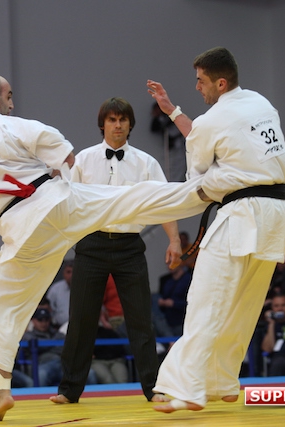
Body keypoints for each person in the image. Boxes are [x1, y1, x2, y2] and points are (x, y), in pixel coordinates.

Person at [0, 72, 208, 421]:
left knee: (1, 308)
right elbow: (63, 150)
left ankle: (3, 392)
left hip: (21, 231)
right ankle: (207, 189)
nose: (12, 102)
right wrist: (60, 169)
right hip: (57, 204)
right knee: (127, 199)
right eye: (8, 96)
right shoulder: (13, 126)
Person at [145, 46, 285, 413]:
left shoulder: (212, 120)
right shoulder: (261, 103)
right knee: (245, 301)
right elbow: (216, 135)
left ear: (220, 82)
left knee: (206, 298)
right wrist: (172, 111)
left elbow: (199, 166)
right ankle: (222, 381)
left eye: (201, 81)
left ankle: (187, 389)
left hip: (243, 212)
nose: (197, 87)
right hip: (278, 212)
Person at [52, 97, 182, 406]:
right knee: (81, 320)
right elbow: (64, 201)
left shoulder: (146, 162)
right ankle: (69, 389)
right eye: (112, 119)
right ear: (103, 124)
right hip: (91, 244)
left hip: (129, 246)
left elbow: (164, 203)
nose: (118, 125)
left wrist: (174, 240)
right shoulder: (83, 160)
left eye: (123, 119)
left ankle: (153, 387)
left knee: (141, 319)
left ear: (130, 124)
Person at [21, 308, 66, 387]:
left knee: (86, 374)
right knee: (41, 374)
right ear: (33, 321)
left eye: (46, 319)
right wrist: (54, 344)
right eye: (40, 320)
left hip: (62, 364)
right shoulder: (28, 336)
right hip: (41, 365)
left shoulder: (58, 334)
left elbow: (65, 348)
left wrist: (45, 346)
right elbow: (38, 346)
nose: (43, 323)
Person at [44, 260, 72, 328]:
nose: (71, 275)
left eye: (74, 272)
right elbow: (48, 309)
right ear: (63, 273)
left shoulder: (84, 289)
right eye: (68, 272)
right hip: (58, 328)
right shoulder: (55, 289)